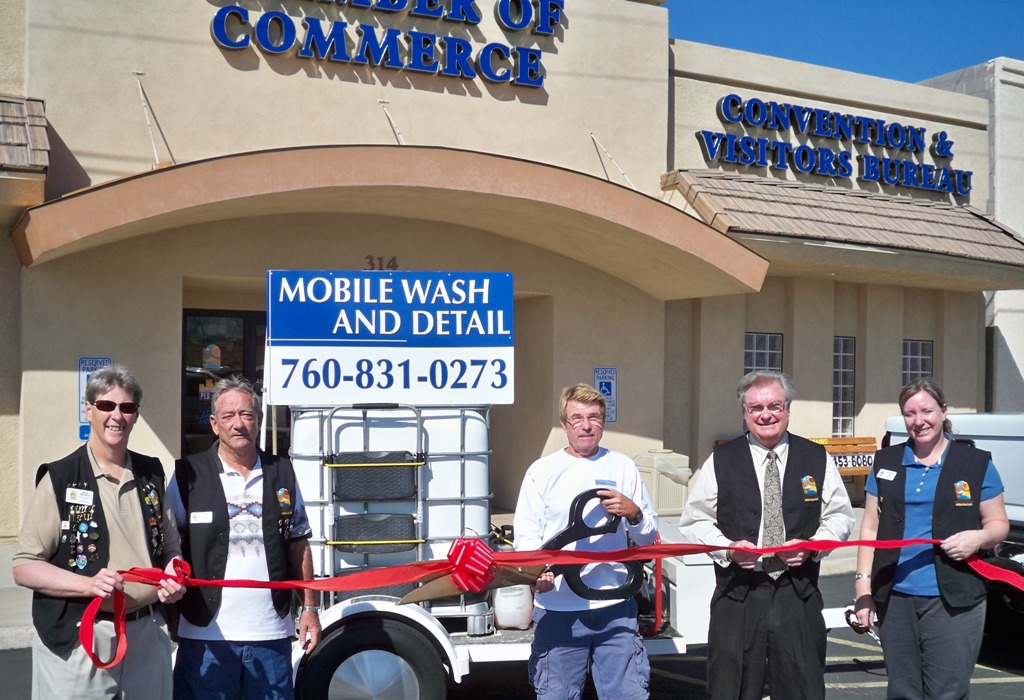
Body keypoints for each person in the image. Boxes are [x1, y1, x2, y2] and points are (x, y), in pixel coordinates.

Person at [12, 364, 186, 699]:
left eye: (127, 407)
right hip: (81, 640)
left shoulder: (151, 474)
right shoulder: (61, 478)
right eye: (106, 405)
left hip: (148, 635)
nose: (116, 416)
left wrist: (172, 576)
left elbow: (170, 549)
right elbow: (24, 566)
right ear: (88, 410)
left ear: (136, 415)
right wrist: (87, 584)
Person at [678, 370, 854, 700]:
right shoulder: (722, 459)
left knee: (802, 684)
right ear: (744, 412)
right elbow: (694, 521)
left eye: (775, 405)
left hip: (796, 590)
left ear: (788, 407)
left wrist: (812, 547)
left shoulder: (815, 458)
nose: (766, 415)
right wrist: (728, 549)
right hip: (738, 594)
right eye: (756, 408)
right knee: (733, 686)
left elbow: (840, 516)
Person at [853, 377, 1008, 700]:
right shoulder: (886, 462)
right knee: (902, 690)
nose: (918, 421)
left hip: (954, 598)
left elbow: (998, 524)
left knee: (947, 692)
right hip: (895, 597)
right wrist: (863, 590)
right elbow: (870, 527)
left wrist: (978, 538)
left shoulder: (975, 463)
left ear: (943, 411)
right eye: (909, 413)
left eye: (926, 411)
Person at [168, 376, 321, 700]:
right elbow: (169, 547)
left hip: (271, 635)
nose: (238, 424)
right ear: (214, 423)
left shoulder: (283, 471)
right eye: (228, 416)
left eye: (246, 414)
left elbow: (298, 542)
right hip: (204, 635)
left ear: (259, 420)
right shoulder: (187, 475)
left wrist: (309, 608)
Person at [513, 383, 658, 700]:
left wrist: (634, 513)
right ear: (564, 424)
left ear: (603, 421)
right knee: (557, 695)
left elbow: (648, 537)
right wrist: (537, 572)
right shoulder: (543, 471)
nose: (586, 425)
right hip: (559, 607)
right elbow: (526, 534)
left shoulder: (622, 467)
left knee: (628, 695)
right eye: (576, 418)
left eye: (594, 417)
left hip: (616, 606)